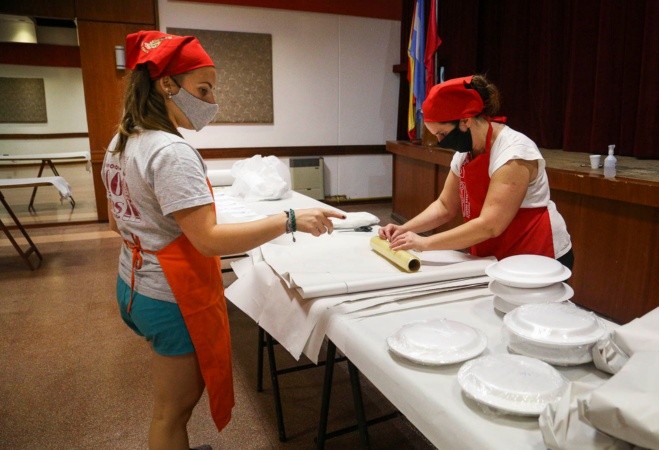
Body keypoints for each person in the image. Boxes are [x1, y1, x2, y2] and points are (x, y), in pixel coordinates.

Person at [101, 30, 344, 450]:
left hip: (133, 283)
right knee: (172, 411)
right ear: (166, 84)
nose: (211, 101)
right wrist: (288, 220)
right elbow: (209, 241)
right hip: (169, 295)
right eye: (203, 88)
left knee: (171, 406)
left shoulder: (122, 140)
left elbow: (114, 222)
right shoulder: (170, 151)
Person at [379, 75, 573, 269]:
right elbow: (445, 206)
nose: (439, 141)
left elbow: (490, 224)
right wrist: (404, 229)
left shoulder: (514, 152)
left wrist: (424, 243)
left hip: (536, 253)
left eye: (442, 134)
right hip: (494, 253)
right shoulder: (465, 153)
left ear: (465, 120)